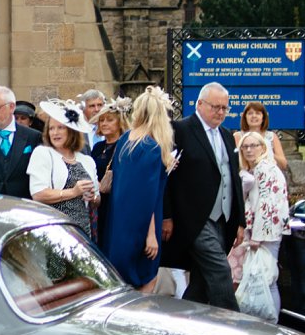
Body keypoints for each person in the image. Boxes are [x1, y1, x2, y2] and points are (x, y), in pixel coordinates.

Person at [162, 82, 245, 310]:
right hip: (192, 218)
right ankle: (232, 324)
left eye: (224, 108)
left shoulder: (228, 136)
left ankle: (183, 319)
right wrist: (166, 215)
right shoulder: (180, 130)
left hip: (222, 217)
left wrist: (240, 220)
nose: (220, 112)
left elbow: (233, 179)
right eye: (215, 107)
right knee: (220, 269)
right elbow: (166, 177)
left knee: (201, 279)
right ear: (199, 104)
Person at [101, 87, 175, 291]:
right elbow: (147, 198)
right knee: (147, 277)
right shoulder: (151, 147)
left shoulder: (125, 139)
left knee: (120, 279)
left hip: (118, 223)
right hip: (141, 226)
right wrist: (151, 235)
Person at [235, 130, 289, 320]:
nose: (249, 150)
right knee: (264, 278)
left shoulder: (265, 168)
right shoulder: (254, 170)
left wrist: (257, 235)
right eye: (245, 146)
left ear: (263, 148)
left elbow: (269, 203)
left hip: (267, 234)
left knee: (267, 279)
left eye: (253, 146)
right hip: (263, 232)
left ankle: (271, 321)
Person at [28, 99, 100, 239]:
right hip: (55, 231)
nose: (55, 133)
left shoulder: (87, 160)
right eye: (51, 128)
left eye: (60, 127)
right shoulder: (43, 153)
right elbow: (38, 194)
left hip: (82, 231)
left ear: (72, 131)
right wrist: (74, 192)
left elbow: (97, 200)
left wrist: (93, 197)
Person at [91, 96, 130, 243]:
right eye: (102, 120)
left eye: (110, 120)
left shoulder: (124, 146)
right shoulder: (97, 147)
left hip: (115, 203)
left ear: (120, 122)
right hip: (97, 202)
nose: (104, 124)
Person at [235, 101, 287, 171]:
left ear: (263, 118)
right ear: (245, 117)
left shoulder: (272, 136)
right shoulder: (238, 136)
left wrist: (268, 153)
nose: (254, 116)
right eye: (250, 113)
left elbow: (283, 164)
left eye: (258, 113)